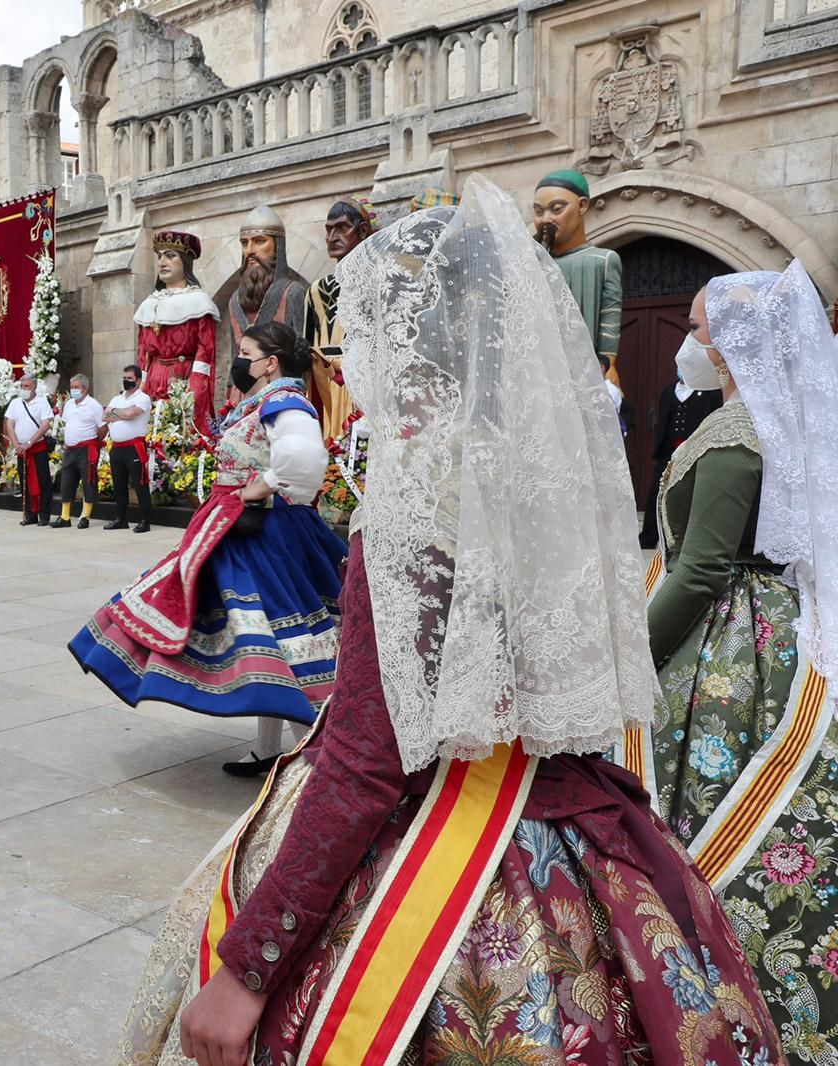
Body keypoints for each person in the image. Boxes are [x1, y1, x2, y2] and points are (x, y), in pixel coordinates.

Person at [115, 175, 783, 1066]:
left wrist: (250, 966)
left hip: (445, 853)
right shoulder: (543, 471)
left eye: (363, 341)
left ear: (409, 347)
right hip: (572, 828)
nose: (350, 366)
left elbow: (364, 759)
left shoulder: (419, 496)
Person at [623, 262, 838, 1064]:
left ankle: (709, 983)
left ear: (738, 343)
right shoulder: (764, 422)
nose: (691, 342)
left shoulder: (739, 434)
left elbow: (702, 571)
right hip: (764, 626)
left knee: (699, 803)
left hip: (725, 645)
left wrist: (633, 662)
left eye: (702, 329)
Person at [72, 321, 341, 776]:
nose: (238, 360)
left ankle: (316, 763)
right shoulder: (260, 402)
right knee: (258, 641)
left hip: (269, 533)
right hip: (236, 529)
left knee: (285, 639)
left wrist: (265, 485)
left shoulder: (283, 400)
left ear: (269, 363)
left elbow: (306, 459)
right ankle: (269, 748)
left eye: (245, 351)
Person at [302, 195, 380, 443]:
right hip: (322, 382)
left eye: (342, 227)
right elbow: (307, 343)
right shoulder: (315, 289)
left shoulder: (377, 281)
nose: (332, 236)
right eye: (328, 229)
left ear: (363, 230)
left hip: (361, 377)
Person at [533, 168, 623, 378]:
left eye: (557, 209)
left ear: (582, 205)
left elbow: (609, 318)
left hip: (582, 374)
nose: (546, 218)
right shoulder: (530, 265)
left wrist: (608, 364)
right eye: (538, 211)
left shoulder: (603, 260)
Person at [135, 231, 218, 439]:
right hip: (153, 381)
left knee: (180, 438)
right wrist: (140, 387)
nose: (162, 261)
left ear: (186, 261)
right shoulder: (150, 303)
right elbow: (143, 353)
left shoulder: (199, 302)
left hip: (182, 379)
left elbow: (205, 351)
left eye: (170, 255)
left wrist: (194, 389)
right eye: (160, 256)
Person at [640, 366, 721, 549]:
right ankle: (649, 535)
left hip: (693, 449)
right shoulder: (668, 392)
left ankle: (686, 537)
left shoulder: (709, 393)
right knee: (657, 492)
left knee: (689, 491)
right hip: (668, 451)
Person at [224, 205, 308, 364]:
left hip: (281, 387)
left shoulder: (292, 293)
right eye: (244, 243)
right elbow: (234, 358)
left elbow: (300, 360)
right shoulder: (235, 300)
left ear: (278, 246)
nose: (249, 251)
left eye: (259, 241)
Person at [51, 374, 107, 529]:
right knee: (67, 482)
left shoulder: (93, 405)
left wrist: (94, 442)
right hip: (70, 449)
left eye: (77, 387)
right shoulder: (69, 404)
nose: (73, 390)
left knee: (88, 482)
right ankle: (65, 517)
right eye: (72, 387)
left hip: (86, 449)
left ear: (85, 388)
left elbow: (103, 426)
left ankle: (85, 516)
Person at [104, 363, 152, 533]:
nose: (126, 381)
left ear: (138, 381)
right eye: (124, 378)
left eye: (129, 379)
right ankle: (121, 519)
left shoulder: (143, 398)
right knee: (119, 485)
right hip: (117, 448)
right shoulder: (117, 398)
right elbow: (105, 416)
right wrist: (122, 412)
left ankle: (145, 520)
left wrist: (116, 412)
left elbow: (132, 414)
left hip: (134, 447)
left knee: (140, 484)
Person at [3, 373, 53, 527]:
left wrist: (30, 442)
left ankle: (44, 515)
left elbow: (46, 425)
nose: (23, 389)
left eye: (27, 387)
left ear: (34, 388)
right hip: (21, 450)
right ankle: (30, 514)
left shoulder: (42, 402)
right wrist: (16, 443)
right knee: (25, 482)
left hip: (37, 448)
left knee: (43, 482)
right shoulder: (15, 403)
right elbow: (9, 424)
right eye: (22, 386)